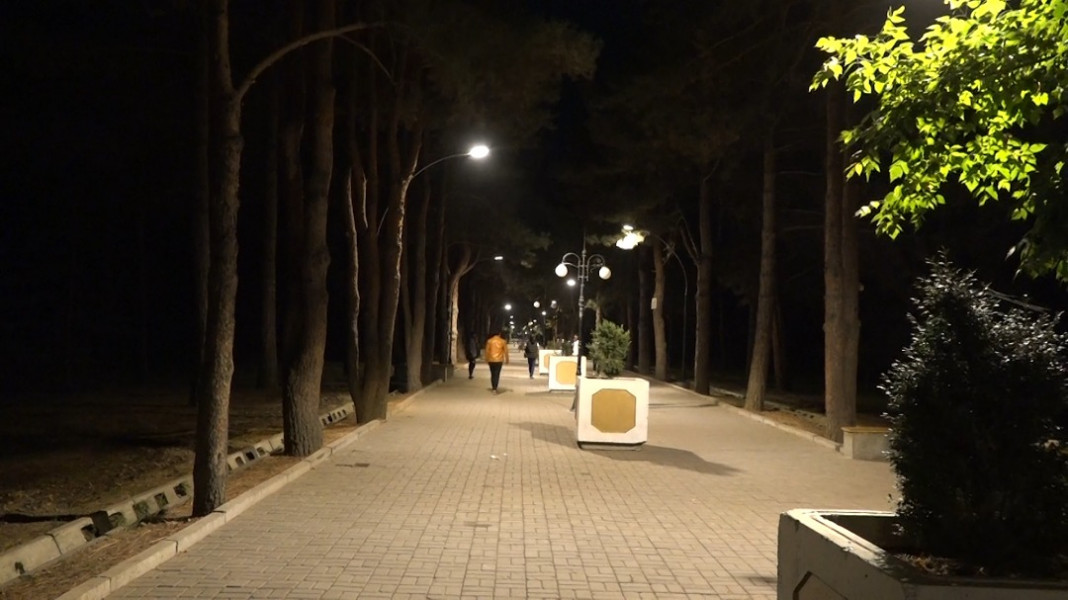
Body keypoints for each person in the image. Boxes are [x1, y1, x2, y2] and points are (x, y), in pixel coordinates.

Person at [484, 329, 509, 394]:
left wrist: (486, 359)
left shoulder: (489, 341)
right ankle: (495, 388)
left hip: (491, 360)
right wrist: (507, 359)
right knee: (497, 374)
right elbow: (506, 351)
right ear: (499, 334)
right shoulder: (503, 341)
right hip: (499, 360)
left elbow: (487, 351)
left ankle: (493, 387)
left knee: (492, 374)